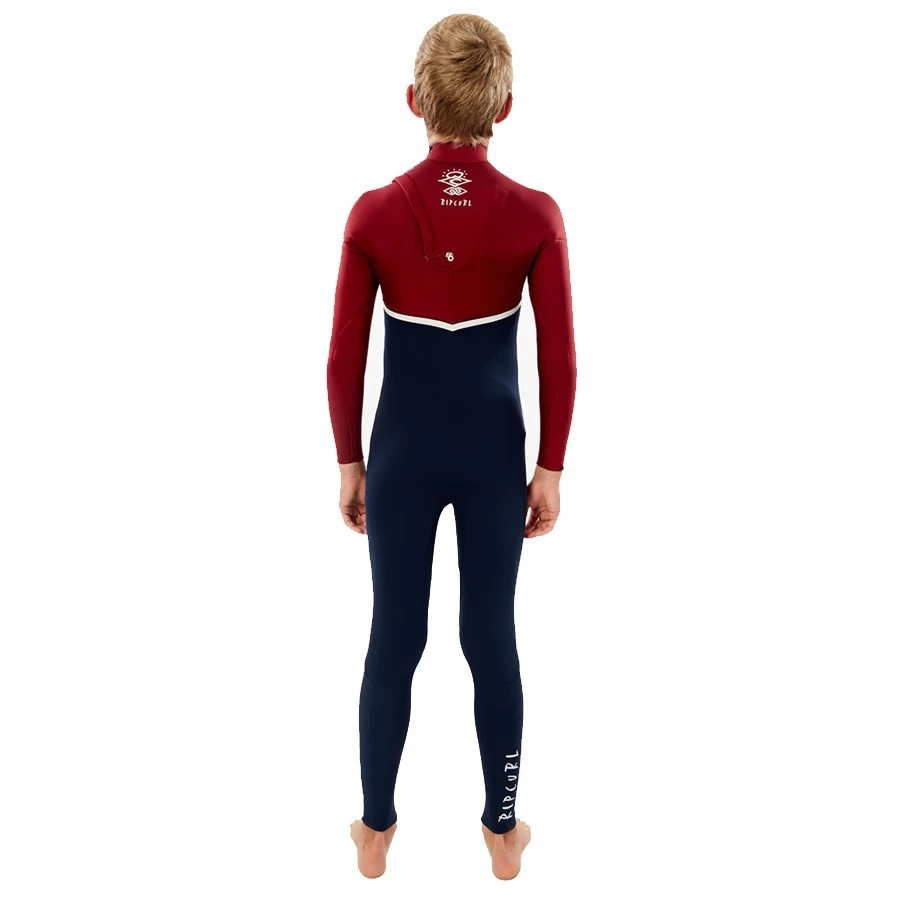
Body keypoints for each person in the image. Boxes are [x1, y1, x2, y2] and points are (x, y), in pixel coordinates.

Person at [326, 13, 576, 880]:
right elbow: (559, 356)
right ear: (504, 107)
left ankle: (374, 832)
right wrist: (549, 468)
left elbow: (344, 355)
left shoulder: (374, 214)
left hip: (399, 454)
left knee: (394, 638)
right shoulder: (534, 216)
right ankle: (503, 833)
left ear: (413, 101)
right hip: (491, 458)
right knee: (490, 638)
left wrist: (350, 462)